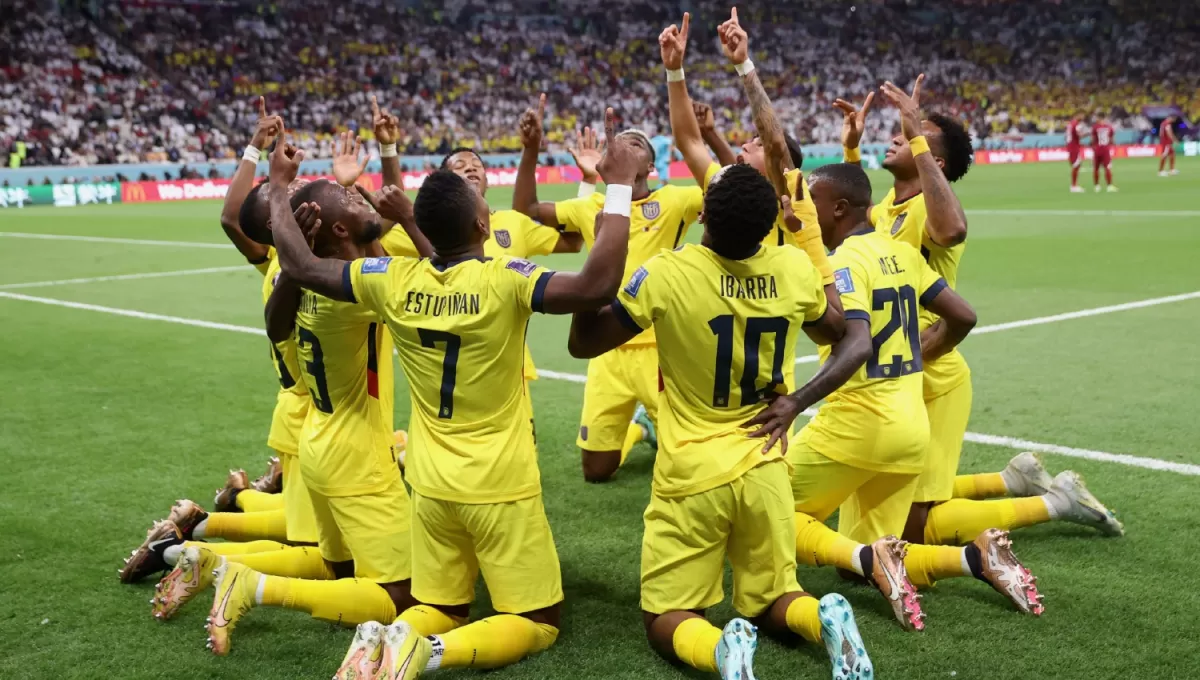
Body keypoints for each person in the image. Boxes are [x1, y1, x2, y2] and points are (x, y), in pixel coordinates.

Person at [271, 108, 639, 679]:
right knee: (539, 619)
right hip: (498, 482)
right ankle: (425, 652)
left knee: (439, 604)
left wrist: (276, 188)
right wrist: (618, 187)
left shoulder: (388, 278)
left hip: (430, 482)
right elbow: (597, 284)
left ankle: (396, 636)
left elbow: (299, 264)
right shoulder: (505, 279)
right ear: (478, 228)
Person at [568, 160, 874, 680]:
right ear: (767, 224)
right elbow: (836, 334)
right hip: (765, 460)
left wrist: (600, 255)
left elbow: (584, 342)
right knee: (774, 596)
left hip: (692, 469)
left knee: (667, 615)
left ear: (703, 213)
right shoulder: (793, 269)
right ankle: (821, 619)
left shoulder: (668, 272)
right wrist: (797, 400)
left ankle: (720, 650)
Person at [839, 77, 1123, 565]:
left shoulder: (934, 209)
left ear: (934, 159)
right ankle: (1009, 479)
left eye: (909, 134)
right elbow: (847, 227)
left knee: (915, 527)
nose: (897, 136)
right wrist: (850, 149)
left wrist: (919, 139)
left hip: (935, 374)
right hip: (896, 372)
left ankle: (1054, 503)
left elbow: (952, 230)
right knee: (880, 492)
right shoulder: (887, 207)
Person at [750, 162, 1043, 621]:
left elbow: (852, 342)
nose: (807, 209)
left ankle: (866, 563)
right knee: (868, 558)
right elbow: (963, 316)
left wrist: (796, 402)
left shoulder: (845, 261)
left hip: (857, 423)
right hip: (910, 427)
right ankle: (973, 559)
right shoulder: (902, 253)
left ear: (840, 208)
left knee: (761, 513)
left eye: (813, 201)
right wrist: (919, 355)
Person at [119, 98, 319, 589]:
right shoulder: (304, 270)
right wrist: (276, 179)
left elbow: (232, 219)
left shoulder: (279, 260)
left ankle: (205, 519)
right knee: (318, 550)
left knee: (304, 525)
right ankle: (187, 551)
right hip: (312, 415)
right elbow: (235, 220)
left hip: (301, 412)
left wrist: (257, 149)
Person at [512, 94, 700, 483]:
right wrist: (531, 151)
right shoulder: (591, 206)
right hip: (605, 347)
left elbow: (721, 187)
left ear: (650, 164)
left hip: (660, 346)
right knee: (597, 471)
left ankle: (653, 425)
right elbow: (527, 210)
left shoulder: (675, 199)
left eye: (635, 144)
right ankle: (641, 428)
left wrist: (701, 136)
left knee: (687, 465)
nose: (623, 146)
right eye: (618, 143)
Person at [1092, 114, 1117, 192]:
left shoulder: (1095, 127)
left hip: (1097, 149)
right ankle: (1109, 186)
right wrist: (1113, 144)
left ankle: (1097, 186)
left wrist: (1093, 148)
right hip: (1105, 150)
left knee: (1096, 168)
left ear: (1099, 118)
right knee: (1107, 167)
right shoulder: (1109, 127)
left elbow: (1093, 140)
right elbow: (1112, 139)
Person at [1066, 112, 1088, 192]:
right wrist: (1088, 133)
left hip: (1071, 145)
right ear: (1076, 115)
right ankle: (1074, 186)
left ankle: (1074, 185)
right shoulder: (1075, 124)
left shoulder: (1071, 124)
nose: (1083, 116)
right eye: (1081, 115)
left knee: (1077, 165)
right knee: (1076, 165)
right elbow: (1079, 135)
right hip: (1073, 146)